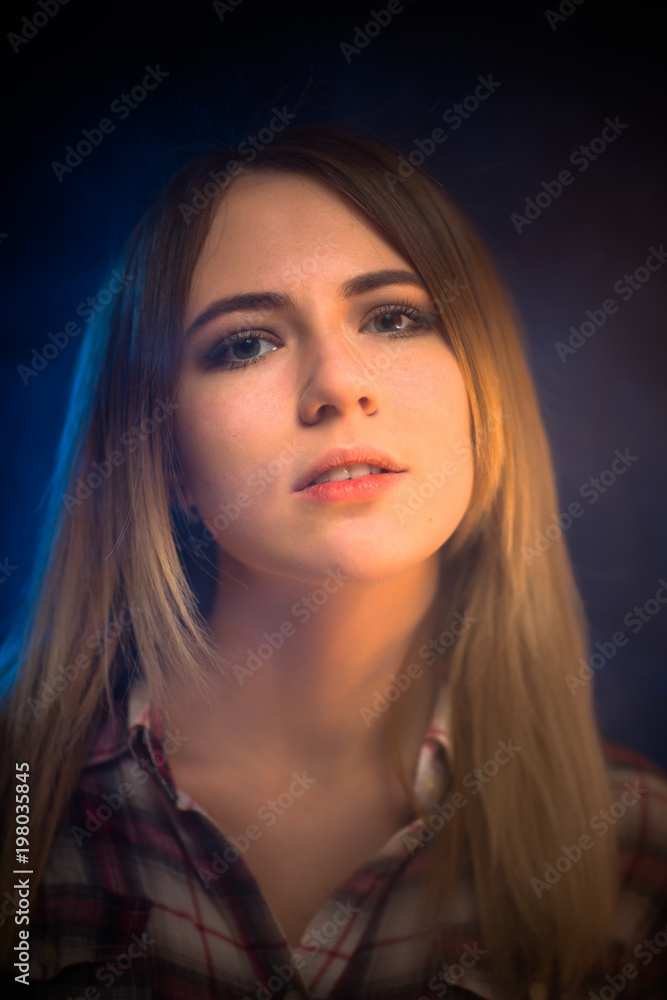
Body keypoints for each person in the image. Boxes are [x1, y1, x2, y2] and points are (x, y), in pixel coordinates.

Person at [1, 126, 665, 1000]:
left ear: (482, 392)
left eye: (394, 317)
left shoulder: (635, 843)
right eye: (246, 342)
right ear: (163, 455)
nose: (337, 385)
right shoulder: (24, 812)